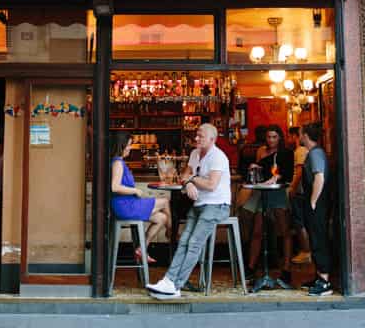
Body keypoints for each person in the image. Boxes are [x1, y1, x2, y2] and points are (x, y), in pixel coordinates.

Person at [146, 124, 231, 299]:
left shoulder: (218, 157)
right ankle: (168, 281)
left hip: (217, 206)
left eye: (201, 136)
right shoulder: (194, 154)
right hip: (199, 205)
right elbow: (184, 176)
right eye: (196, 135)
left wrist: (191, 179)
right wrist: (190, 182)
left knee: (194, 243)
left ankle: (176, 285)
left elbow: (211, 185)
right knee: (184, 240)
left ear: (212, 140)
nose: (197, 139)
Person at [240, 124, 295, 284]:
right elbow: (260, 172)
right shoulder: (261, 151)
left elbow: (288, 174)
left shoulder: (286, 153)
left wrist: (277, 177)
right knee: (257, 231)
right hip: (262, 192)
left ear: (280, 138)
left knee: (284, 230)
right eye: (269, 137)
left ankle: (286, 268)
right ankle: (251, 268)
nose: (271, 140)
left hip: (277, 192)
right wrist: (255, 167)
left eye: (274, 137)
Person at [109, 132, 171, 261]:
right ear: (122, 146)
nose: (130, 148)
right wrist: (135, 191)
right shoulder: (118, 163)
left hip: (128, 204)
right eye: (129, 145)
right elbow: (114, 187)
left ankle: (141, 249)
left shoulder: (119, 162)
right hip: (125, 206)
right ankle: (172, 235)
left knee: (162, 218)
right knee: (165, 202)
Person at [299, 123, 333, 296]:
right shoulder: (315, 153)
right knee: (315, 238)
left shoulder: (315, 154)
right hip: (317, 202)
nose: (299, 136)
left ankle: (325, 281)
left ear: (305, 135)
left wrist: (313, 201)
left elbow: (319, 177)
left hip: (317, 203)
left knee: (319, 239)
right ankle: (319, 276)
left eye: (300, 133)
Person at [286, 126, 313, 265]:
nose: (288, 139)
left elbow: (299, 172)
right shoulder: (301, 151)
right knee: (300, 221)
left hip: (300, 191)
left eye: (289, 136)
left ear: (295, 136)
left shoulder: (300, 151)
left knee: (299, 222)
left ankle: (306, 251)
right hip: (302, 191)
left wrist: (292, 188)